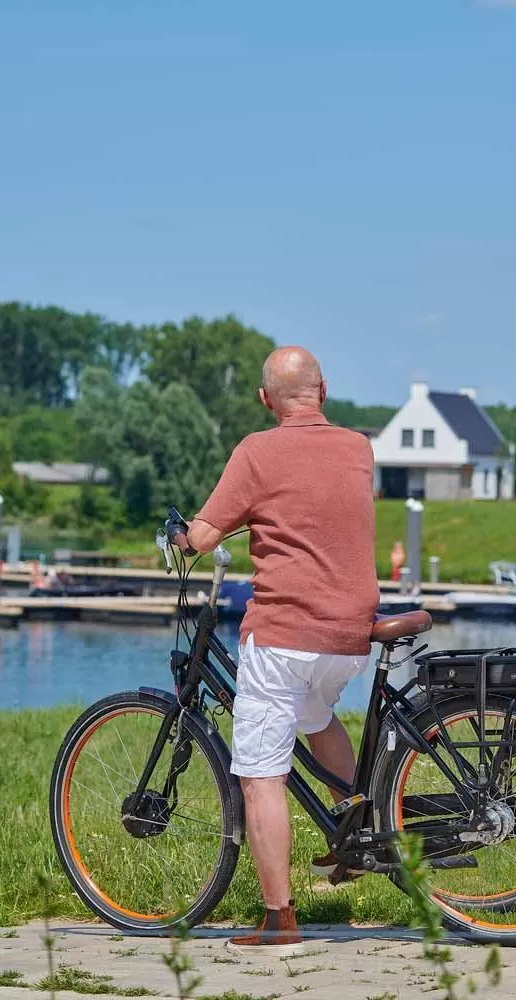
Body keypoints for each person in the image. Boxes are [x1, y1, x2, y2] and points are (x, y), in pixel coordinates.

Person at [177, 346, 379, 955]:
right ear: (324, 390)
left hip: (286, 635)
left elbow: (205, 536)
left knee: (260, 774)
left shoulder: (256, 452)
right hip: (350, 635)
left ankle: (278, 918)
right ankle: (355, 836)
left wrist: (184, 535)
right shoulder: (358, 446)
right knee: (316, 717)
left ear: (266, 399)